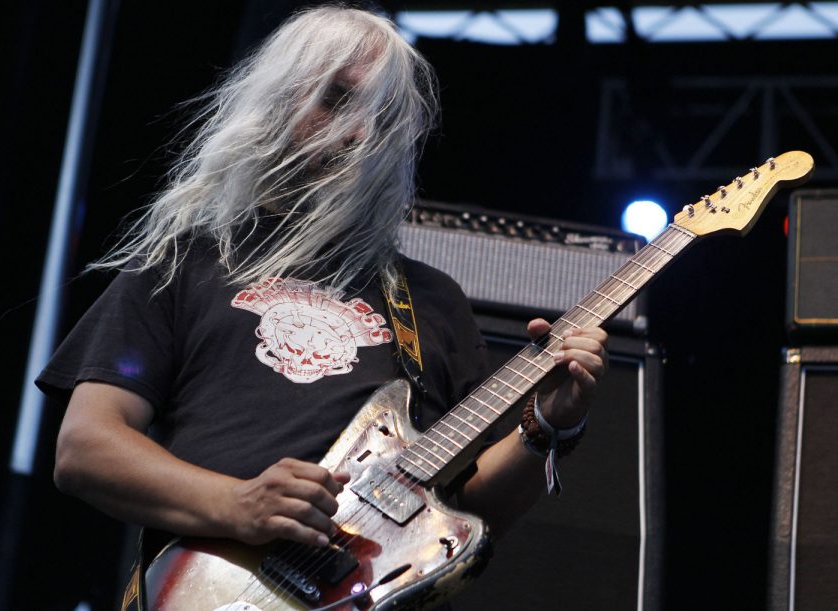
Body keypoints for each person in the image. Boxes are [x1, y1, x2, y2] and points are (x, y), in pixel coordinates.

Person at [38, 5, 608, 606]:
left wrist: (550, 423)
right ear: (280, 102)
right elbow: (85, 448)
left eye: (382, 121)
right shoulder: (188, 260)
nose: (360, 135)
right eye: (335, 100)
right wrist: (236, 505)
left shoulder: (432, 302)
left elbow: (466, 513)